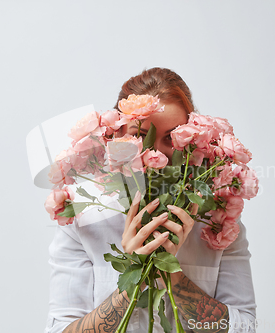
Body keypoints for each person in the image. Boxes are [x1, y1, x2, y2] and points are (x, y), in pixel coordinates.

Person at [45, 68, 257, 333]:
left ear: (197, 140)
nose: (157, 154)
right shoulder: (83, 219)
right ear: (116, 137)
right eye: (140, 135)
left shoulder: (218, 222)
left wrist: (171, 271)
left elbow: (246, 328)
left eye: (171, 137)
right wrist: (137, 273)